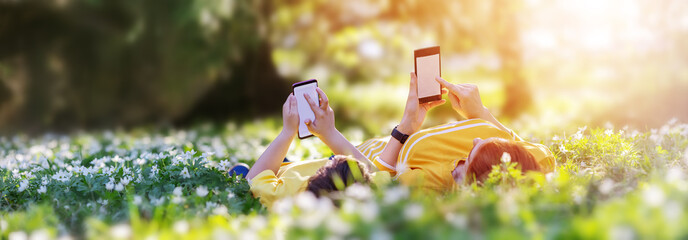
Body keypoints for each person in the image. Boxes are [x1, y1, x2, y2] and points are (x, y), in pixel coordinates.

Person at [357, 73, 554, 191]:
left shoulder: (432, 180)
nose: (476, 139)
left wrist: (404, 129)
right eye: (491, 142)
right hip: (379, 141)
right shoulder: (538, 160)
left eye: (469, 158)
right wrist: (480, 112)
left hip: (356, 157)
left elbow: (376, 184)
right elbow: (523, 148)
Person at [246, 88, 391, 209]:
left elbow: (251, 179)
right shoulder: (371, 188)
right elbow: (371, 172)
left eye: (331, 161)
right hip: (293, 168)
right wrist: (329, 132)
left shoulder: (284, 196)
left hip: (280, 174)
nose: (333, 157)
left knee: (240, 171)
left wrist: (288, 132)